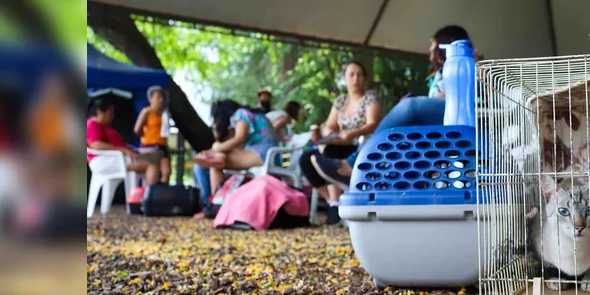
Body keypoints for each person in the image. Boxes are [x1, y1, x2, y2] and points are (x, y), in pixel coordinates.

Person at [310, 26, 473, 191]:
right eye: (351, 75)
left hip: (467, 114)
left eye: (434, 44)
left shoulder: (469, 65)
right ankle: (392, 191)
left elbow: (457, 93)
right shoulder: (341, 100)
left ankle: (353, 166)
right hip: (442, 123)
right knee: (409, 141)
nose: (430, 49)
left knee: (409, 108)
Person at [298, 61, 381, 220]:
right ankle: (333, 202)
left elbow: (372, 124)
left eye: (359, 74)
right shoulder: (341, 100)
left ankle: (335, 207)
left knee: (329, 152)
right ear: (344, 78)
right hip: (338, 144)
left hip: (359, 146)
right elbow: (329, 125)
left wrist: (351, 134)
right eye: (351, 74)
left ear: (364, 78)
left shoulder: (370, 97)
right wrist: (330, 134)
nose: (356, 78)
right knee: (305, 159)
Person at [194, 99, 278, 195]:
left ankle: (215, 203)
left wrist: (217, 148)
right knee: (218, 157)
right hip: (273, 154)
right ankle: (217, 200)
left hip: (263, 155)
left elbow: (239, 138)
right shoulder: (256, 113)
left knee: (215, 161)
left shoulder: (240, 114)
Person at [87, 97, 160, 186]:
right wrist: (125, 151)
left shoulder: (103, 127)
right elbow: (95, 145)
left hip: (118, 158)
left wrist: (133, 150)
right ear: (99, 112)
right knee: (151, 165)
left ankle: (144, 194)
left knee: (154, 158)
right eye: (110, 113)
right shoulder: (92, 124)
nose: (112, 116)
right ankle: (148, 197)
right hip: (105, 161)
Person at [133, 86, 171, 183]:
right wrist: (147, 136)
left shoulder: (165, 113)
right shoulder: (146, 112)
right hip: (149, 147)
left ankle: (162, 193)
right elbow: (137, 130)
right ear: (150, 99)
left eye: (162, 97)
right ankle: (149, 193)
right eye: (158, 97)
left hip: (162, 146)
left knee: (166, 172)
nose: (161, 100)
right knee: (152, 173)